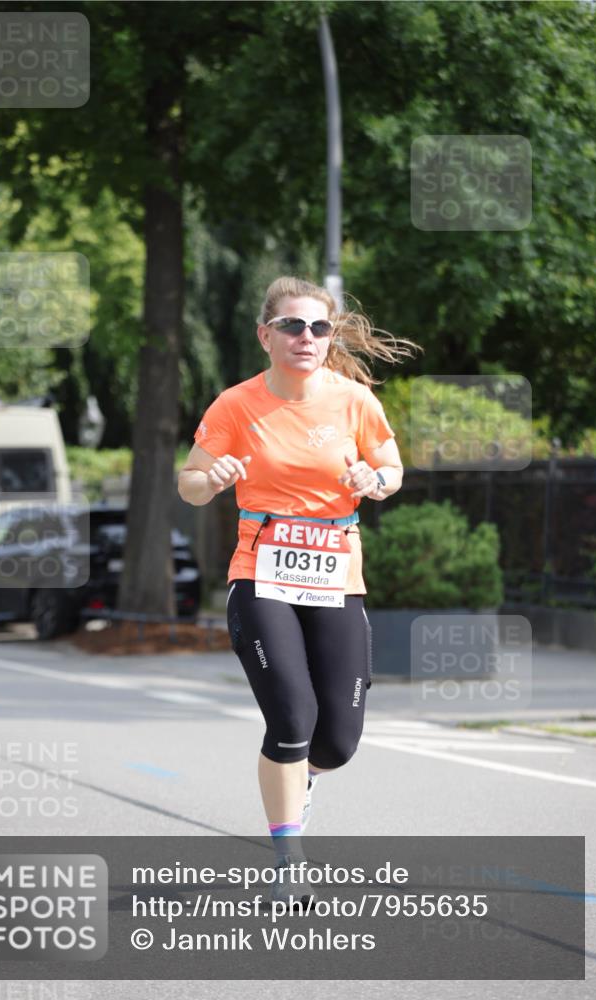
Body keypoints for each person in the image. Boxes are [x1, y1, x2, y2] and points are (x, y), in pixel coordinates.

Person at [178, 276, 416, 905]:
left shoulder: (354, 400)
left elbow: (392, 467)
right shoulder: (235, 404)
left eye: (317, 327)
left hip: (337, 576)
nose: (305, 337)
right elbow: (190, 483)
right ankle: (290, 861)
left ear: (330, 335)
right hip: (260, 574)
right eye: (291, 325)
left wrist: (376, 479)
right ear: (266, 335)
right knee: (292, 717)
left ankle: (301, 779)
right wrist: (213, 477)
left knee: (335, 742)